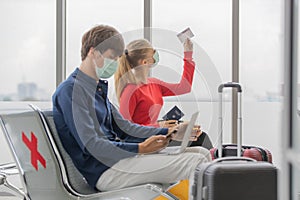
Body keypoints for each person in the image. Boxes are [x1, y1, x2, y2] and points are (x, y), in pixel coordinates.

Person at [52, 24, 211, 199]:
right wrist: (140, 148)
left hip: (121, 162)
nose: (114, 64)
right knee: (197, 163)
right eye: (112, 58)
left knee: (201, 153)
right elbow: (92, 145)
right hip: (105, 171)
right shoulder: (72, 91)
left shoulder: (96, 89)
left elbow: (126, 128)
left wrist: (170, 132)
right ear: (94, 52)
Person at [114, 38, 213, 149]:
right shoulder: (130, 91)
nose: (156, 57)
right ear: (145, 62)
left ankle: (216, 160)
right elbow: (124, 130)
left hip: (159, 133)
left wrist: (188, 53)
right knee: (200, 140)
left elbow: (184, 87)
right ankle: (215, 161)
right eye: (153, 54)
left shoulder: (153, 83)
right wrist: (159, 126)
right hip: (147, 141)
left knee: (199, 136)